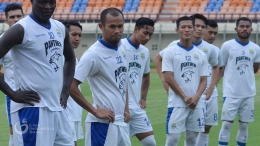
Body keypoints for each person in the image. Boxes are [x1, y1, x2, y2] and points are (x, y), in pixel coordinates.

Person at [0, 0, 76, 145]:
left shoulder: (59, 27)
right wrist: (12, 93)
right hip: (32, 109)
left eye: (51, 2)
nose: (48, 7)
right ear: (32, 2)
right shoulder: (21, 29)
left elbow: (70, 59)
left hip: (57, 108)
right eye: (42, 2)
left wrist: (65, 91)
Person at [69, 8, 131, 146]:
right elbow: (71, 86)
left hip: (120, 122)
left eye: (120, 26)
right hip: (101, 125)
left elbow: (122, 79)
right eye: (112, 26)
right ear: (101, 27)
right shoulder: (93, 54)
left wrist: (126, 108)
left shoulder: (122, 48)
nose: (117, 30)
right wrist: (95, 111)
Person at [162, 16, 208, 146]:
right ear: (177, 30)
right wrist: (185, 97)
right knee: (172, 140)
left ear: (193, 29)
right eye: (183, 27)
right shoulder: (170, 51)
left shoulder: (201, 55)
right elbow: (168, 78)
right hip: (177, 104)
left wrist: (196, 97)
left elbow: (204, 79)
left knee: (192, 140)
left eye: (189, 27)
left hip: (196, 104)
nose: (186, 30)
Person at [218, 17, 260, 146]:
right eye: (242, 26)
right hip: (231, 93)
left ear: (251, 29)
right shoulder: (227, 46)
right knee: (226, 124)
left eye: (247, 26)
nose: (245, 28)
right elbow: (221, 66)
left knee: (244, 126)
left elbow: (255, 68)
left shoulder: (256, 48)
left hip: (248, 94)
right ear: (236, 28)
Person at [121, 17, 156, 146]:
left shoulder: (145, 51)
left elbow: (146, 75)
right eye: (145, 33)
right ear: (136, 30)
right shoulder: (120, 46)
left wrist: (143, 98)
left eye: (150, 35)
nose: (147, 38)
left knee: (150, 142)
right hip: (120, 108)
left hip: (136, 107)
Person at [196, 20, 224, 146]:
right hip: (194, 92)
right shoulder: (191, 46)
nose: (212, 36)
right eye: (210, 32)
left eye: (215, 33)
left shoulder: (215, 50)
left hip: (210, 93)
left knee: (207, 127)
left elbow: (220, 67)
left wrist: (213, 84)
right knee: (193, 128)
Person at [0, 3, 24, 146]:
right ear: (6, 20)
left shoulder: (33, 38)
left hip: (35, 92)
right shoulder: (2, 41)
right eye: (12, 17)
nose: (16, 19)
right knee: (15, 132)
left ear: (24, 17)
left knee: (37, 131)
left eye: (19, 16)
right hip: (13, 94)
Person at [62, 21, 84, 146]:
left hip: (73, 113)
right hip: (65, 113)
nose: (77, 38)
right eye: (74, 34)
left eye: (80, 35)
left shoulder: (72, 57)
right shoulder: (60, 56)